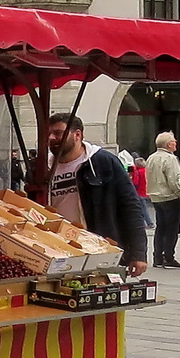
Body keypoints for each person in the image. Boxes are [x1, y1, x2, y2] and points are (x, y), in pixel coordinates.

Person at [46, 115, 150, 276]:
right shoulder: (43, 168)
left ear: (77, 135)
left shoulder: (103, 162)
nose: (51, 138)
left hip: (98, 250)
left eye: (58, 133)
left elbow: (130, 206)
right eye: (49, 134)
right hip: (56, 251)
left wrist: (138, 253)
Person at [145, 133, 180, 268]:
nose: (176, 143)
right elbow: (174, 180)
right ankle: (168, 257)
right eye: (174, 141)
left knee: (161, 228)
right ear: (169, 144)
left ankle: (157, 257)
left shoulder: (151, 158)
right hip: (171, 197)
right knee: (172, 229)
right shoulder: (170, 159)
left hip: (156, 197)